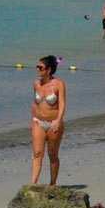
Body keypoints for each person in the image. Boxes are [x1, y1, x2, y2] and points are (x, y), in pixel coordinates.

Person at [28, 55, 68, 187]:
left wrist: (58, 120)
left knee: (52, 155)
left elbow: (62, 104)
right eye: (37, 67)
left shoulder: (58, 84)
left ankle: (52, 184)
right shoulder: (36, 83)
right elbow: (35, 103)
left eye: (40, 67)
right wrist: (33, 119)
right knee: (37, 153)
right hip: (38, 122)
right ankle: (33, 184)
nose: (38, 69)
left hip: (53, 123)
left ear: (49, 70)